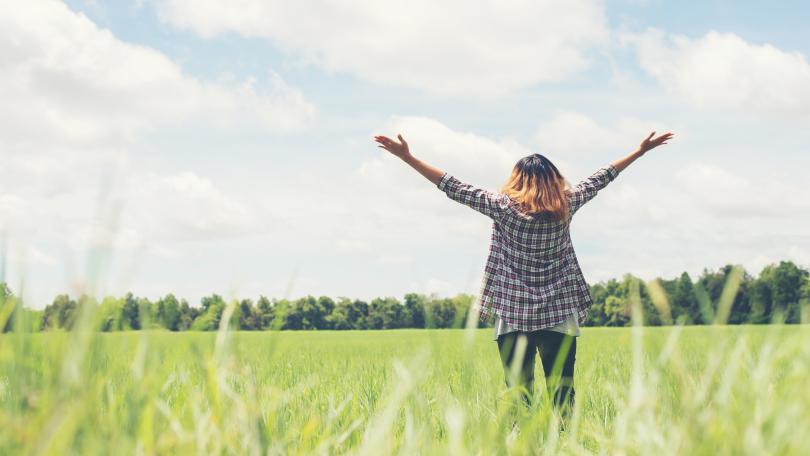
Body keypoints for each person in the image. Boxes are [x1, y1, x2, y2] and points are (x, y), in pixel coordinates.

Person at [372, 130, 674, 419]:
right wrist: (640, 151)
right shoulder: (566, 205)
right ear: (554, 180)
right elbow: (602, 177)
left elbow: (452, 185)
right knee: (562, 392)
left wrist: (407, 158)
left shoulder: (502, 208)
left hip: (512, 313)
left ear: (517, 180)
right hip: (559, 312)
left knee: (518, 395)